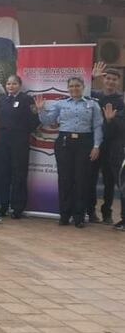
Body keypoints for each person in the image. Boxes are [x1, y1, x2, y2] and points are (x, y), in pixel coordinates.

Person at [36, 77, 103, 228]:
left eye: (77, 86)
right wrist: (40, 109)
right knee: (65, 179)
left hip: (85, 143)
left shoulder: (92, 104)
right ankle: (64, 215)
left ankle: (79, 216)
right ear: (68, 88)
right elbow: (47, 121)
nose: (74, 88)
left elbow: (98, 126)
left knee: (81, 180)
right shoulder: (61, 103)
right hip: (65, 142)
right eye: (71, 86)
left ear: (83, 86)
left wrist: (96, 146)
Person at [0, 75, 39, 218]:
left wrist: (22, 131)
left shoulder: (27, 100)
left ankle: (17, 208)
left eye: (14, 83)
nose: (11, 86)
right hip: (3, 142)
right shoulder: (2, 100)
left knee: (19, 175)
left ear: (20, 85)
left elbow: (34, 120)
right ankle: (3, 206)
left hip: (19, 142)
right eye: (8, 83)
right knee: (3, 174)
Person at [89, 64, 124, 223]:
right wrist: (91, 78)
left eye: (114, 79)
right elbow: (78, 91)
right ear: (103, 79)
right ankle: (90, 212)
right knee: (90, 177)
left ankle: (107, 213)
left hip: (112, 146)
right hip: (94, 144)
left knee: (109, 181)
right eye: (108, 78)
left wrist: (110, 121)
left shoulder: (121, 100)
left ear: (118, 81)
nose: (110, 81)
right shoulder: (93, 94)